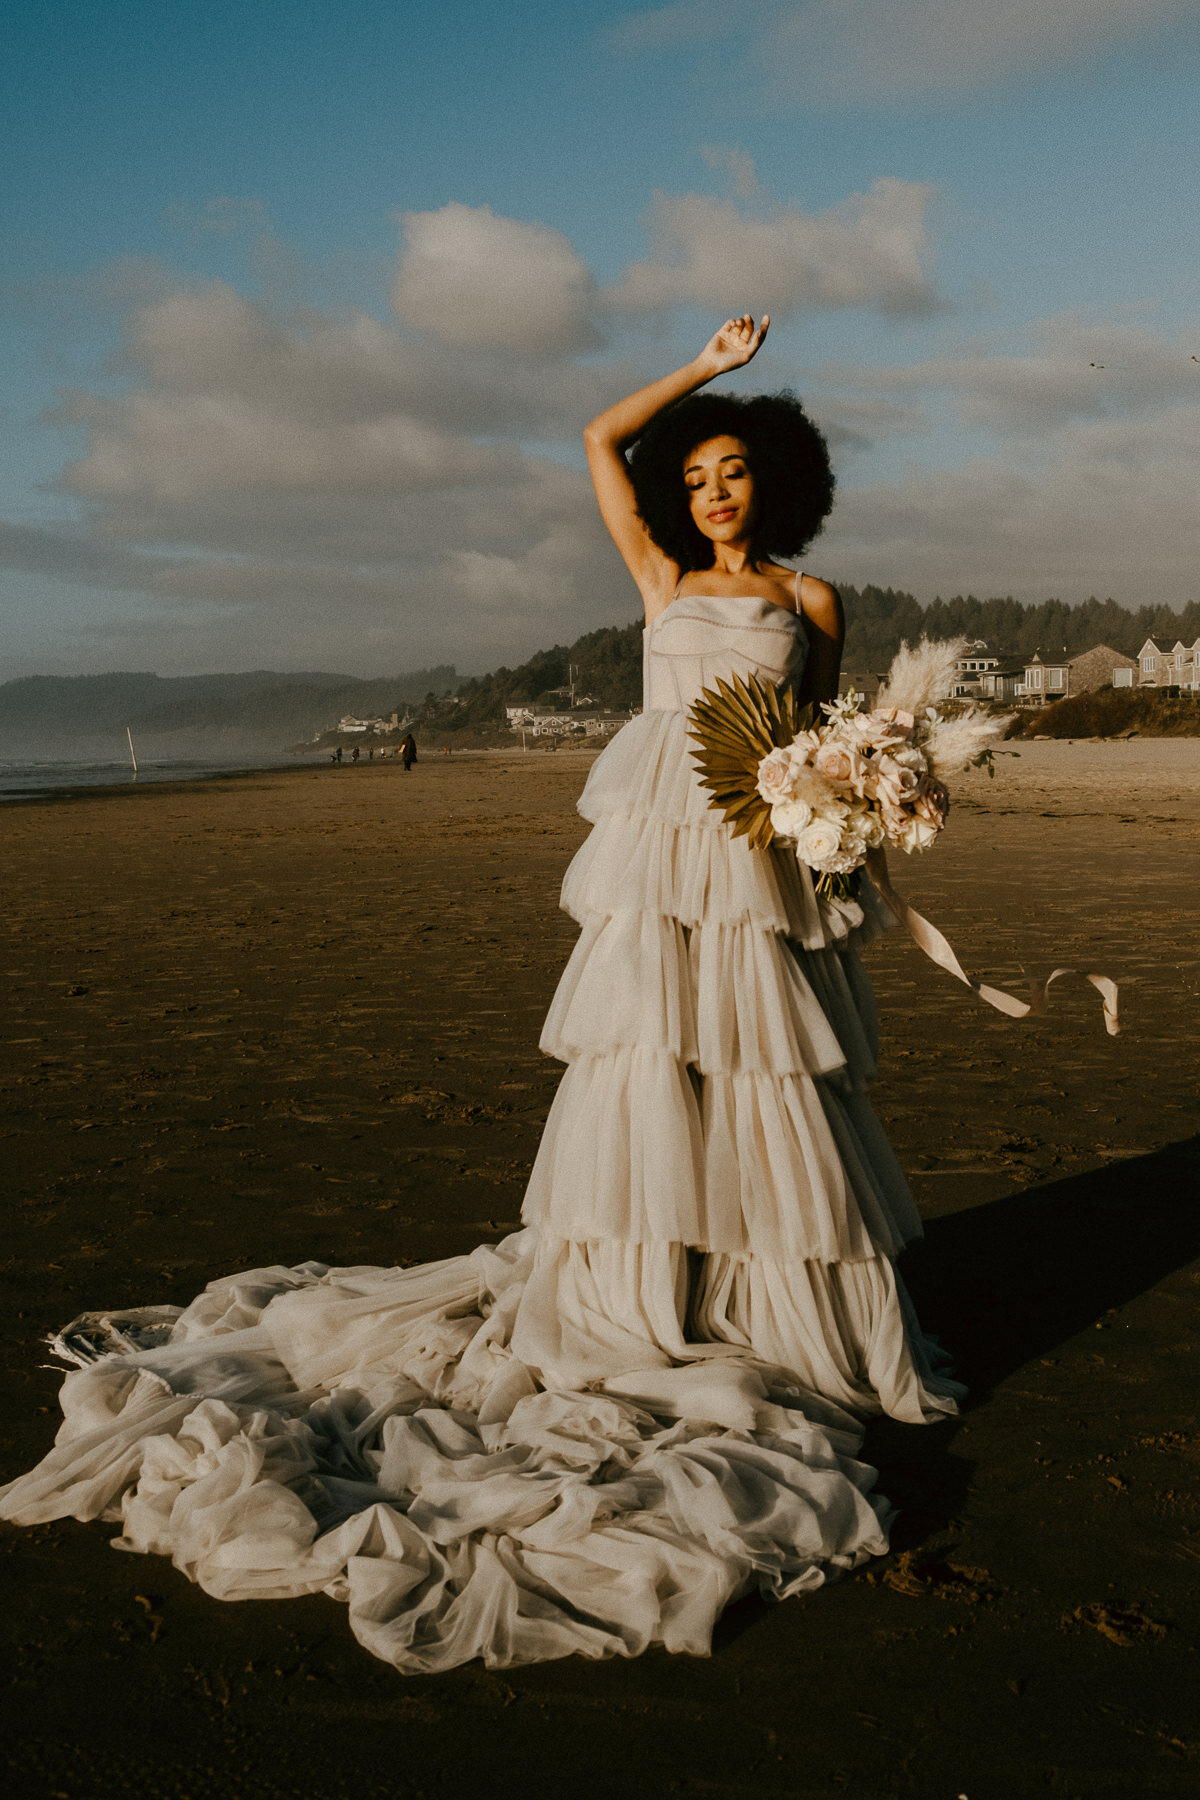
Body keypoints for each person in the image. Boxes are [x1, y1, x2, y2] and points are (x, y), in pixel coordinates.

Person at [0, 314, 961, 1674]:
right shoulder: (660, 582)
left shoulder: (811, 603)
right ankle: (650, 1287)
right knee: (649, 1068)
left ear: (779, 480)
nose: (712, 492)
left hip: (753, 865)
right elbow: (595, 439)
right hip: (655, 855)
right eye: (697, 475)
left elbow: (813, 736)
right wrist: (701, 367)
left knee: (758, 1076)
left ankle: (756, 1294)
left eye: (734, 470)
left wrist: (845, 799)